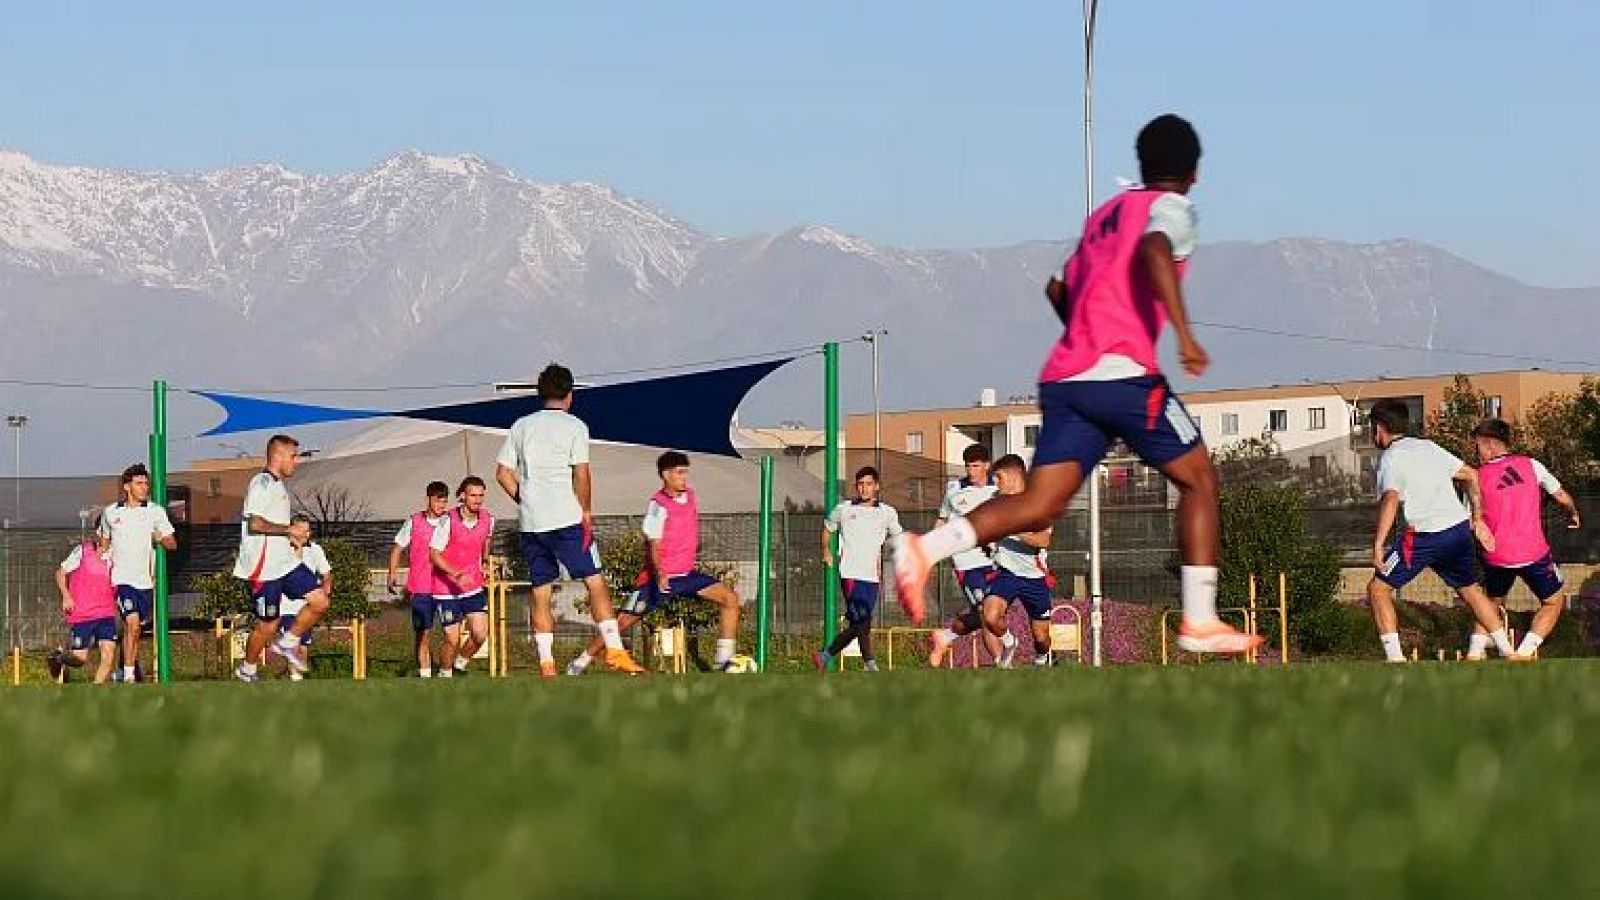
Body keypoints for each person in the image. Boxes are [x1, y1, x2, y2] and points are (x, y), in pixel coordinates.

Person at [891, 115, 1259, 656]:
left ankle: (925, 549)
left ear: (1142, 164)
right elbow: (1156, 249)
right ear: (1193, 173)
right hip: (1124, 375)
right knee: (1200, 480)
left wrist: (1088, 339)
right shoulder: (1174, 208)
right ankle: (1200, 619)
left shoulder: (1107, 213)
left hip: (1066, 378)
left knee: (1038, 505)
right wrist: (1184, 335)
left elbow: (1058, 287)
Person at [495, 363, 645, 678]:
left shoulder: (521, 425)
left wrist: (526, 501)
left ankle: (547, 664)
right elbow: (582, 473)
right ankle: (615, 651)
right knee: (595, 581)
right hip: (566, 519)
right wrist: (586, 510)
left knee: (541, 590)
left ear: (540, 393)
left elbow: (502, 473)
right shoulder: (575, 426)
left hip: (532, 524)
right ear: (570, 394)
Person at [1364, 400, 1514, 663]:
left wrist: (1378, 545)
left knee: (1378, 588)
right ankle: (1508, 650)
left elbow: (1391, 498)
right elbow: (1471, 474)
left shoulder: (1391, 457)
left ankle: (1395, 658)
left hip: (1424, 536)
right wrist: (1477, 517)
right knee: (1470, 590)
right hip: (1457, 531)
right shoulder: (1429, 447)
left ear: (1379, 428)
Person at [569, 452, 744, 675]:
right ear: (666, 475)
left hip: (687, 575)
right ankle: (579, 663)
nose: (685, 477)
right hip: (659, 579)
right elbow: (654, 544)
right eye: (680, 472)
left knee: (730, 599)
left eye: (686, 472)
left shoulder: (690, 496)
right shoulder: (658, 506)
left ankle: (723, 663)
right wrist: (660, 573)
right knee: (621, 623)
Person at [1464, 419, 1582, 661]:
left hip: (1496, 555)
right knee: (1554, 601)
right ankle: (1524, 653)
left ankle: (1474, 653)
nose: (1476, 451)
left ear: (1489, 444)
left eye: (1477, 446)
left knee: (1490, 603)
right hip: (1534, 553)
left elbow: (1471, 521)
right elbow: (1561, 495)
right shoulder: (1531, 465)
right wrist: (1572, 512)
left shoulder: (1475, 478)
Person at [234, 435, 331, 682]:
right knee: (268, 624)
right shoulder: (262, 483)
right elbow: (255, 523)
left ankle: (288, 642)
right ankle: (248, 669)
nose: (296, 461)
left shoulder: (278, 485)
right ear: (278, 456)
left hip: (284, 562)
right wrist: (289, 529)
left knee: (320, 601)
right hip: (263, 566)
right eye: (293, 456)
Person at [814, 467, 903, 672]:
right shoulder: (844, 509)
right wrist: (826, 551)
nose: (864, 488)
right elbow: (828, 528)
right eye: (861, 484)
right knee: (862, 620)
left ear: (877, 486)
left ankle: (825, 655)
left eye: (869, 484)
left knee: (860, 624)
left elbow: (898, 538)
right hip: (850, 574)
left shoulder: (887, 512)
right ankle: (870, 664)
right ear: (856, 486)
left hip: (872, 577)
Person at [976, 455, 1056, 668]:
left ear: (1014, 477)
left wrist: (1014, 528)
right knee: (990, 616)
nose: (996, 483)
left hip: (1035, 577)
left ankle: (1042, 658)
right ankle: (1010, 643)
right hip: (1006, 573)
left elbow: (1043, 540)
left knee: (1041, 637)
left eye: (999, 477)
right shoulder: (995, 501)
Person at [100, 463, 177, 683]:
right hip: (121, 580)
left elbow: (172, 544)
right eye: (139, 483)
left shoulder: (155, 511)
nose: (144, 487)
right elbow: (103, 543)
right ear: (127, 486)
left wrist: (161, 538)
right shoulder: (111, 512)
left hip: (146, 581)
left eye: (146, 483)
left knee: (133, 630)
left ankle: (124, 670)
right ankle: (129, 675)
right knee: (132, 624)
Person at [929, 444, 1002, 667]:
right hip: (967, 563)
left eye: (976, 466)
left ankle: (946, 636)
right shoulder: (954, 489)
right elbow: (942, 520)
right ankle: (1003, 664)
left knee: (993, 613)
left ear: (987, 465)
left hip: (997, 561)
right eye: (968, 466)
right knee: (984, 612)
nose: (971, 471)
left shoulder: (999, 487)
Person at [387, 481, 452, 678]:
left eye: (444, 501)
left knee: (452, 634)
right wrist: (392, 573)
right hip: (421, 587)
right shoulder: (414, 521)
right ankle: (425, 676)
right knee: (423, 633)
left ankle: (447, 671)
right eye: (437, 500)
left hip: (446, 587)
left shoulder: (450, 522)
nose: (441, 505)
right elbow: (397, 548)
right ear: (427, 500)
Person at [436, 476, 495, 677]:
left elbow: (486, 540)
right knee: (452, 639)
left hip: (472, 586)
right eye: (473, 495)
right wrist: (456, 574)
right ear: (462, 496)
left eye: (481, 495)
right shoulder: (447, 520)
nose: (478, 500)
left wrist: (485, 563)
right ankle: (444, 675)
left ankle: (458, 665)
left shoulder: (488, 519)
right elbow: (434, 554)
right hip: (446, 589)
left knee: (480, 634)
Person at [48, 528, 119, 684]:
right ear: (99, 533)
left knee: (108, 655)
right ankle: (58, 658)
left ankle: (95, 692)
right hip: (83, 615)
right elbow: (60, 573)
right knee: (79, 659)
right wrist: (66, 596)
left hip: (106, 613)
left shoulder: (117, 555)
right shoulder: (83, 551)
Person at [277, 514, 332, 681]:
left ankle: (299, 678)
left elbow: (326, 573)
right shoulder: (282, 549)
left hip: (307, 607)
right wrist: (297, 547)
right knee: (292, 644)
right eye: (303, 530)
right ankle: (294, 677)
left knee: (303, 647)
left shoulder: (316, 550)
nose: (307, 534)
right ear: (293, 530)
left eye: (308, 531)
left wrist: (326, 586)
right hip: (286, 607)